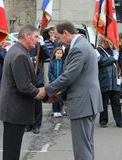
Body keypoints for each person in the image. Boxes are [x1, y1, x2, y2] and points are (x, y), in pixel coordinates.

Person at [44, 21, 103, 160]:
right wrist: (59, 93)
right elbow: (76, 77)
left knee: (81, 148)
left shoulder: (78, 48)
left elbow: (68, 76)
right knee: (86, 145)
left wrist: (47, 90)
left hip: (82, 102)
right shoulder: (81, 45)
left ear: (65, 33)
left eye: (59, 37)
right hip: (87, 101)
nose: (58, 41)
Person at [0, 25, 45, 160]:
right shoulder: (19, 55)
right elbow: (24, 86)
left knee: (11, 150)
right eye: (36, 37)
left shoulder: (17, 51)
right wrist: (40, 93)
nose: (38, 41)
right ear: (27, 36)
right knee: (12, 152)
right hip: (15, 110)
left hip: (13, 110)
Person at [97, 37, 122, 128]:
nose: (109, 43)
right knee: (104, 102)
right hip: (104, 79)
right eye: (107, 41)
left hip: (115, 80)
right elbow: (102, 62)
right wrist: (113, 58)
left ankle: (119, 121)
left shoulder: (113, 50)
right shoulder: (97, 51)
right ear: (102, 41)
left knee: (116, 102)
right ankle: (103, 121)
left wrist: (119, 55)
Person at [25, 35, 50, 134]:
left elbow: (47, 55)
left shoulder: (39, 47)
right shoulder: (26, 47)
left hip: (38, 78)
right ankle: (28, 124)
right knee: (27, 103)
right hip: (27, 79)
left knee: (37, 104)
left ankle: (36, 125)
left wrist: (43, 44)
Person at [48, 47, 64, 118]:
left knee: (60, 97)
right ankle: (55, 111)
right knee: (54, 97)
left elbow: (64, 72)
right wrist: (54, 80)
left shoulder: (63, 62)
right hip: (54, 82)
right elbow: (49, 72)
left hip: (61, 82)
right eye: (57, 53)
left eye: (60, 53)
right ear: (54, 54)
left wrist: (61, 80)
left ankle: (59, 111)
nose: (59, 54)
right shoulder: (52, 62)